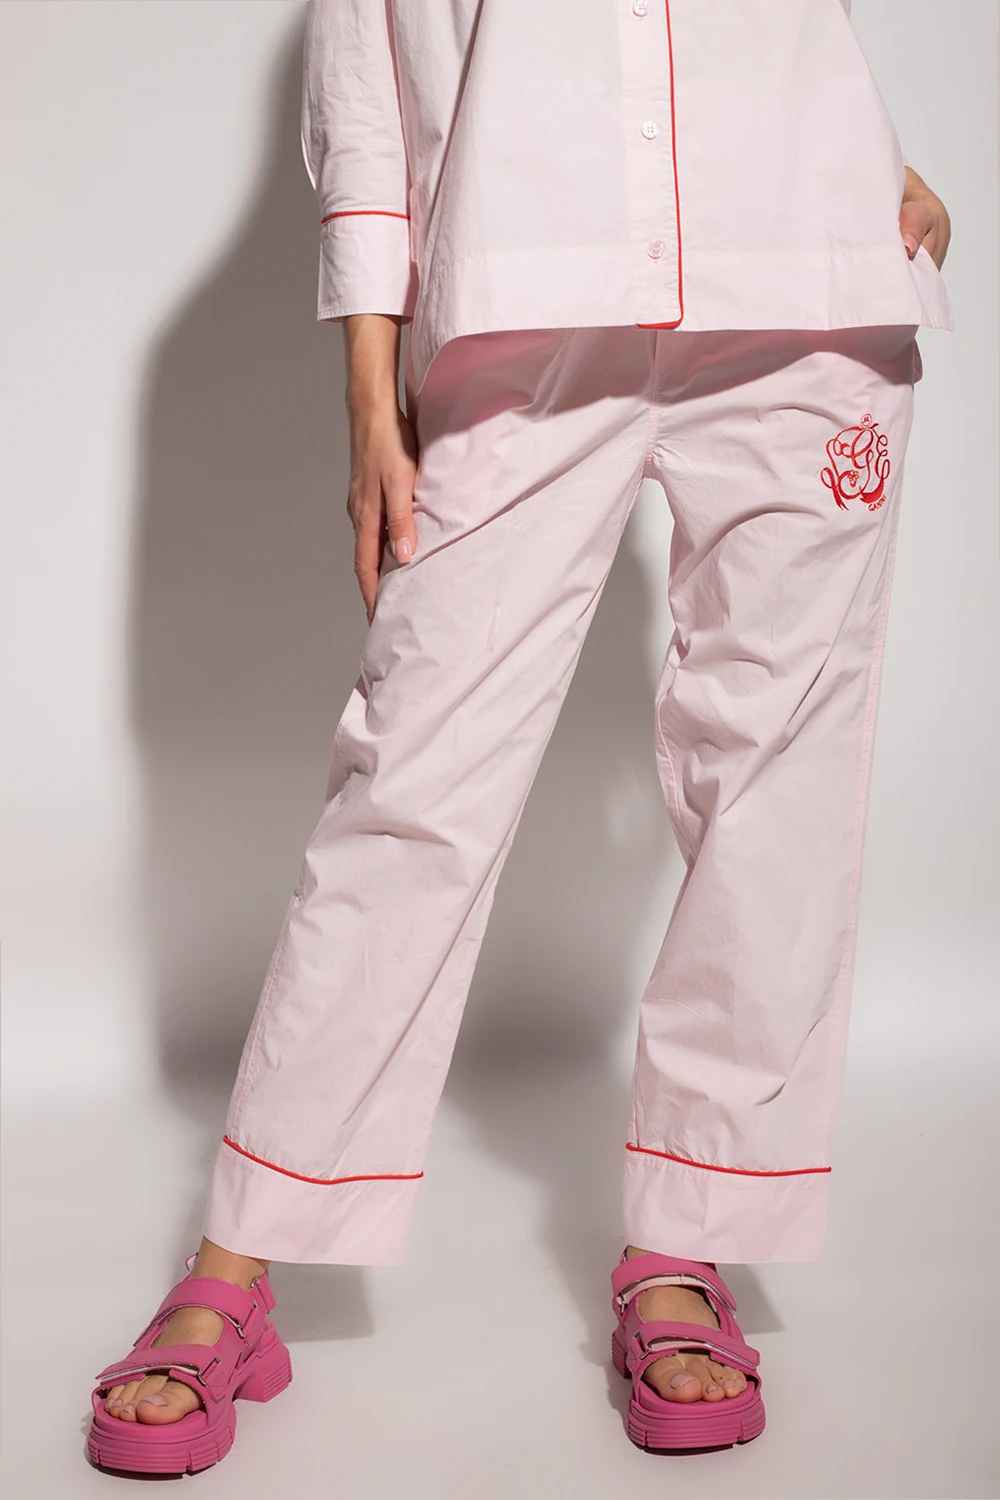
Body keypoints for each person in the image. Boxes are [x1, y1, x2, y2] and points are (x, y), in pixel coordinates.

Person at [87, 0, 953, 1474]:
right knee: (414, 780)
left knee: (776, 790)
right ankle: (243, 1253)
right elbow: (367, 74)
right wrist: (369, 380)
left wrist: (871, 150)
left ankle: (682, 1244)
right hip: (526, 281)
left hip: (807, 279)